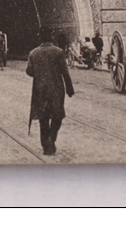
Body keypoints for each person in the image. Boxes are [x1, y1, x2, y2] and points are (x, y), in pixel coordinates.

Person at [26, 27, 74, 156]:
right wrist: (70, 88)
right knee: (57, 116)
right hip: (56, 89)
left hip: (40, 90)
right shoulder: (58, 52)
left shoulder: (33, 53)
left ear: (40, 37)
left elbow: (29, 71)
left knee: (43, 118)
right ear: (51, 37)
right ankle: (51, 138)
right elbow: (65, 72)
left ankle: (46, 145)